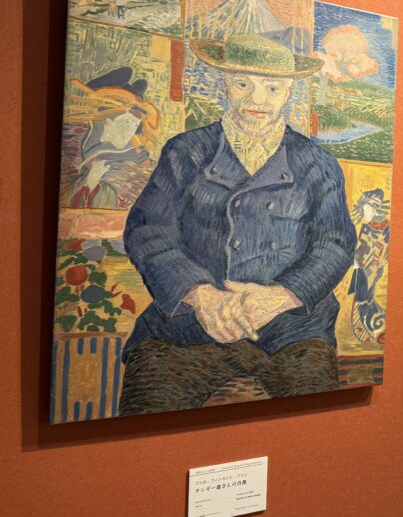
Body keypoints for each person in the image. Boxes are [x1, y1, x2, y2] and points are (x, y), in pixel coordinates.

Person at [118, 33, 357, 415]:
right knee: (146, 412)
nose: (256, 99)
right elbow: (149, 231)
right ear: (226, 84)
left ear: (288, 91)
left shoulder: (317, 163)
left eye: (272, 88)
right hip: (187, 329)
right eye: (243, 84)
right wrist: (200, 295)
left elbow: (335, 244)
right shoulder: (186, 151)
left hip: (292, 331)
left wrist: (284, 295)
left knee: (316, 422)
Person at [62, 67, 160, 209]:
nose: (130, 131)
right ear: (107, 121)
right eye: (126, 122)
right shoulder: (72, 140)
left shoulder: (135, 159)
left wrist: (95, 184)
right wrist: (90, 181)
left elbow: (140, 199)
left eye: (135, 125)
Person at [348, 189, 390, 344]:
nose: (365, 213)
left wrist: (361, 260)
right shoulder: (374, 225)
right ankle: (370, 328)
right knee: (363, 298)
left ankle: (373, 329)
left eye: (367, 209)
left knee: (364, 298)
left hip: (369, 267)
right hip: (365, 266)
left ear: (374, 208)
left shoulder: (381, 227)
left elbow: (377, 251)